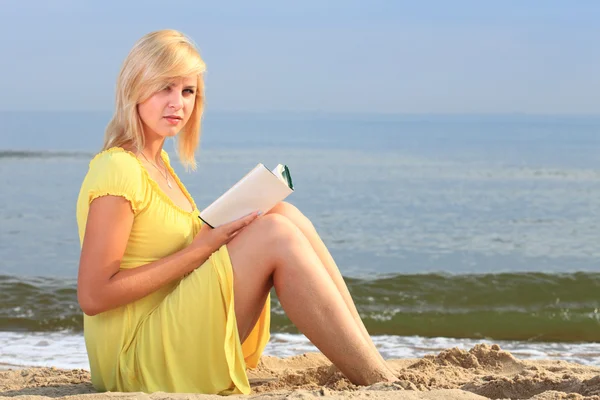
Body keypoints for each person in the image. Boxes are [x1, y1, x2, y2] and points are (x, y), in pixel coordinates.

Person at [75, 29, 397, 395]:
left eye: (187, 91)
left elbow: (163, 250)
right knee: (276, 235)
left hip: (168, 324)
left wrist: (219, 231)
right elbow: (94, 296)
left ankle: (374, 363)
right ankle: (381, 382)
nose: (177, 103)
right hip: (134, 364)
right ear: (135, 87)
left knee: (282, 214)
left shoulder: (159, 163)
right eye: (164, 87)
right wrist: (199, 249)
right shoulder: (118, 168)